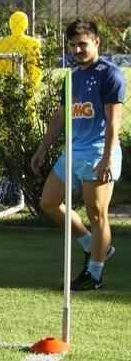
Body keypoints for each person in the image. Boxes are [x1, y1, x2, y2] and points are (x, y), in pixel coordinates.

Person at [33, 19, 125, 291]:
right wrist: (42, 148)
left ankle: (94, 274)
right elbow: (60, 117)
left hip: (98, 153)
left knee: (97, 214)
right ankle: (93, 246)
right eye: (73, 45)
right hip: (73, 152)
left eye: (83, 44)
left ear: (97, 42)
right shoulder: (71, 77)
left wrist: (107, 158)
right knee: (49, 202)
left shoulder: (110, 75)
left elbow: (114, 121)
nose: (77, 50)